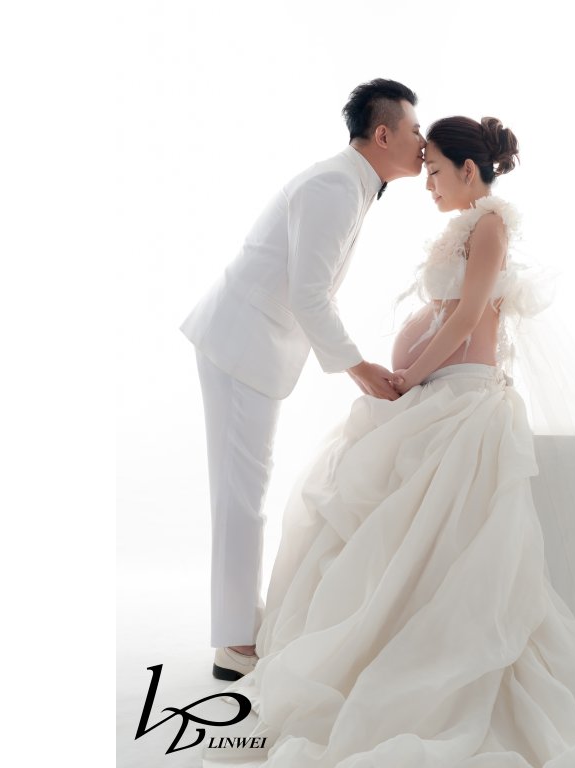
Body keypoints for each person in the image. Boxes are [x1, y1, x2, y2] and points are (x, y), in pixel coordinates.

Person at [217, 116, 575, 767]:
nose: (428, 183)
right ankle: (367, 640)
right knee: (363, 504)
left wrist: (411, 376)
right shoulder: (464, 227)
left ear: (468, 169)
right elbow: (445, 311)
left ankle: (414, 658)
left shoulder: (490, 224)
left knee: (424, 531)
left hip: (463, 396)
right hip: (438, 391)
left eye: (435, 170)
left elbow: (467, 317)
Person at [179, 79, 426, 681]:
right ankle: (234, 642)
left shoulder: (352, 183)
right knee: (241, 496)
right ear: (384, 134)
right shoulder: (334, 186)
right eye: (416, 130)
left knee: (243, 492)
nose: (423, 142)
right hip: (241, 345)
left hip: (251, 344)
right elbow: (309, 294)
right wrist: (360, 369)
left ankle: (239, 625)